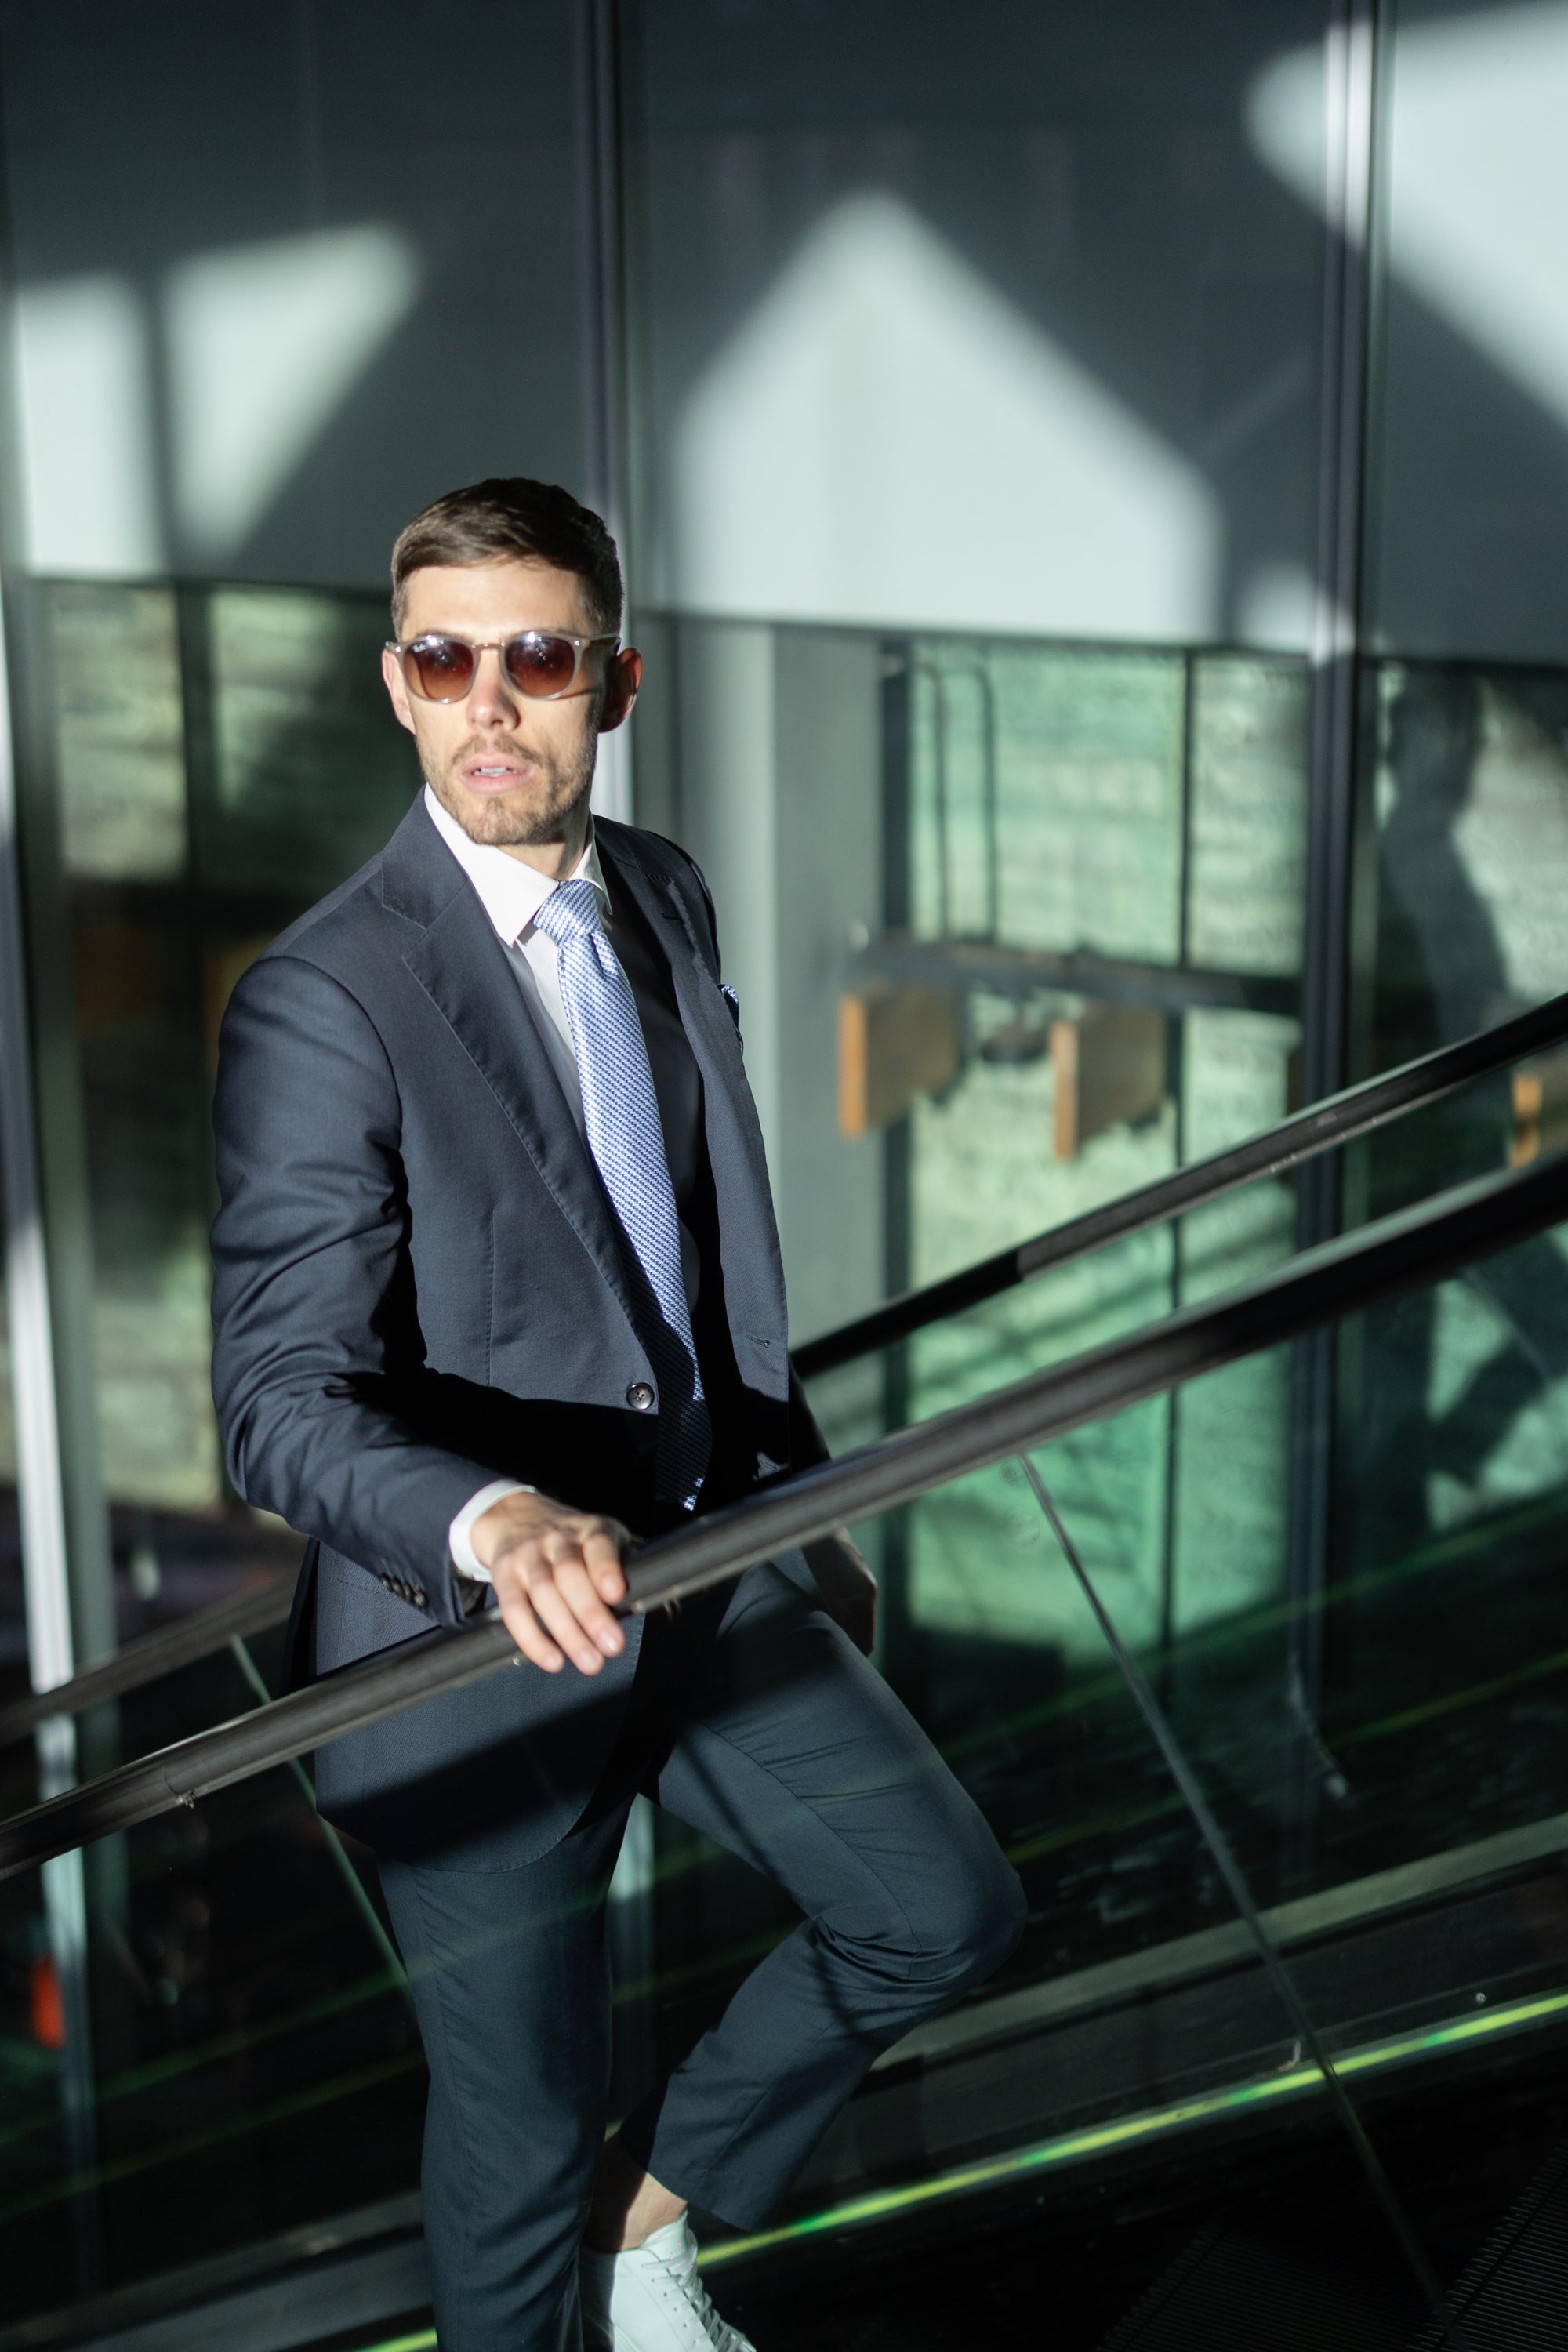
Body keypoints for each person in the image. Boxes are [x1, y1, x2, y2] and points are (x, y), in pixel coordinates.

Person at [209, 477, 1025, 2352]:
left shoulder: (658, 890)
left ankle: (641, 2227)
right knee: (509, 2153)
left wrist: (794, 1497)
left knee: (939, 1907)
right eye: (444, 661)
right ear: (396, 686)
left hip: (708, 1564)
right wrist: (492, 1519)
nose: (490, 704)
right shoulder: (326, 997)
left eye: (539, 657)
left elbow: (700, 1249)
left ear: (618, 681)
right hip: (465, 1654)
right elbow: (274, 1398)